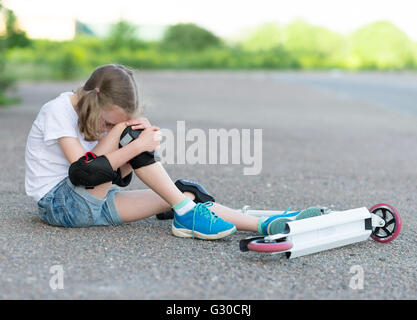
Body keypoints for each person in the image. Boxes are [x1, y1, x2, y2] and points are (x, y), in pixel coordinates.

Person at [25, 64, 322, 240]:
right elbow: (82, 171)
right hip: (60, 205)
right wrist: (128, 141)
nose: (106, 128)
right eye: (108, 122)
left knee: (183, 195)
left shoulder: (99, 118)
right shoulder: (57, 111)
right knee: (138, 148)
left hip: (92, 199)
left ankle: (265, 224)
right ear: (94, 101)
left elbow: (117, 177)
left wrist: (131, 146)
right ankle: (184, 213)